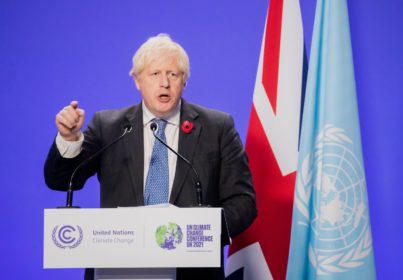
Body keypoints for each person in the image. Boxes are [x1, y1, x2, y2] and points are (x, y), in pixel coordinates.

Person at [44, 34, 257, 280]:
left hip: (192, 271)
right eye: (154, 74)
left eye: (173, 74)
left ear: (184, 81)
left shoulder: (217, 127)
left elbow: (243, 202)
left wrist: (199, 233)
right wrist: (69, 139)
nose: (164, 83)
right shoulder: (108, 126)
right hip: (118, 270)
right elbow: (61, 180)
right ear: (137, 80)